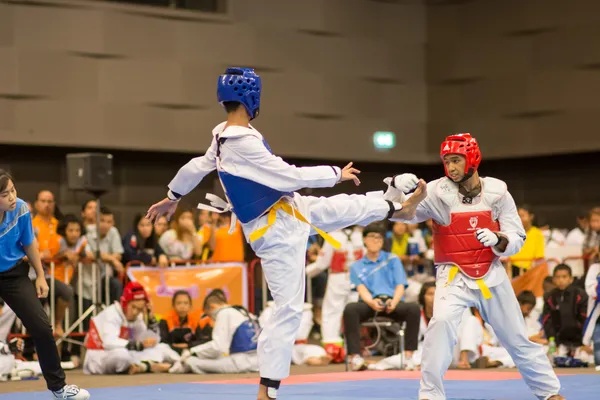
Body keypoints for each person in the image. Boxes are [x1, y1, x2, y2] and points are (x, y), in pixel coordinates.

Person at [146, 67, 427, 400]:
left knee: (342, 209)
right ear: (253, 98)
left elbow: (197, 166)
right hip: (276, 233)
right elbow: (288, 176)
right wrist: (335, 173)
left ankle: (395, 207)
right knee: (289, 310)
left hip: (287, 210)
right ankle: (267, 390)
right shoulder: (242, 141)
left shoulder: (223, 134)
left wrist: (173, 196)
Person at [385, 134, 563, 400]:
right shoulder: (436, 191)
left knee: (516, 337)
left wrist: (499, 240)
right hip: (452, 275)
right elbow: (402, 213)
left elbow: (517, 236)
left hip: (491, 274)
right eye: (446, 161)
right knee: (440, 325)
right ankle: (429, 395)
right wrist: (395, 189)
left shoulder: (498, 192)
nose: (451, 167)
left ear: (473, 159)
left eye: (456, 160)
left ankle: (549, 393)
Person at [0, 170, 90, 399]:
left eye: (13, 190)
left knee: (41, 327)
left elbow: (29, 245)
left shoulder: (20, 209)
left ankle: (59, 388)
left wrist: (40, 275)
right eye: (4, 194)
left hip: (13, 275)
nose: (12, 197)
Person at [343, 223, 421, 371]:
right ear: (364, 240)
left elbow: (400, 285)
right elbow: (361, 289)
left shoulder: (392, 259)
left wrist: (395, 301)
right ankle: (355, 358)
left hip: (392, 303)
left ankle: (409, 357)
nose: (376, 241)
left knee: (413, 309)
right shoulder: (356, 266)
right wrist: (371, 302)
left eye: (379, 238)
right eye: (372, 237)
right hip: (370, 304)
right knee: (350, 309)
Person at [83, 281, 178, 375]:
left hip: (127, 352)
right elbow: (109, 342)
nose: (136, 312)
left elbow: (146, 341)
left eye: (140, 309)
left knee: (162, 347)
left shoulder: (138, 317)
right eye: (133, 307)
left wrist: (150, 318)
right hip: (100, 356)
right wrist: (138, 345)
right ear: (125, 303)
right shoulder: (111, 314)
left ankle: (177, 363)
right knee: (122, 356)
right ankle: (147, 366)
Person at [305, 226, 364, 360]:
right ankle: (353, 350)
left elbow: (322, 264)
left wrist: (305, 272)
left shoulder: (333, 235)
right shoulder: (359, 235)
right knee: (352, 314)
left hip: (338, 279)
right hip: (356, 280)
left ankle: (333, 349)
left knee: (332, 312)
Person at [173, 291, 260, 374]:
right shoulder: (242, 311)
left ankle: (171, 368)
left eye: (210, 316)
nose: (212, 320)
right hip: (257, 360)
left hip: (241, 362)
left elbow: (217, 348)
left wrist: (192, 351)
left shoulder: (224, 313)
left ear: (212, 307)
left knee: (191, 361)